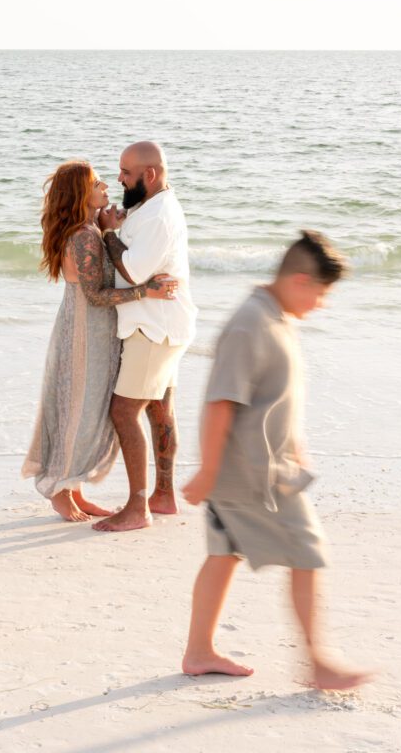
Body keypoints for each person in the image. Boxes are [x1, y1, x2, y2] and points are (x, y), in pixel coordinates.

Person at [181, 231, 369, 690]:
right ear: (301, 280)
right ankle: (318, 662)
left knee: (223, 555)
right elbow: (221, 402)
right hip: (255, 477)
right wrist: (208, 472)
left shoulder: (274, 317)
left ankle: (199, 651)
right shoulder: (252, 324)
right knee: (308, 554)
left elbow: (271, 398)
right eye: (322, 293)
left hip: (257, 470)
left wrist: (297, 447)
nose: (322, 304)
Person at [22, 161, 178, 522]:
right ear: (81, 193)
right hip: (84, 334)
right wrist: (146, 292)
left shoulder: (90, 229)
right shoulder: (83, 236)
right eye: (96, 183)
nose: (106, 186)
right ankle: (61, 492)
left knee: (85, 410)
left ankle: (74, 489)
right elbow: (94, 295)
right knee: (76, 411)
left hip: (94, 331)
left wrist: (109, 229)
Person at [93, 141, 197, 533]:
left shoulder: (158, 215)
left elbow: (134, 271)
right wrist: (119, 225)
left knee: (124, 411)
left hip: (153, 328)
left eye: (125, 172)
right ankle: (164, 497)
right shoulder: (151, 206)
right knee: (158, 409)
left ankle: (138, 508)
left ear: (149, 175)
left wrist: (106, 234)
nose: (119, 178)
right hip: (163, 324)